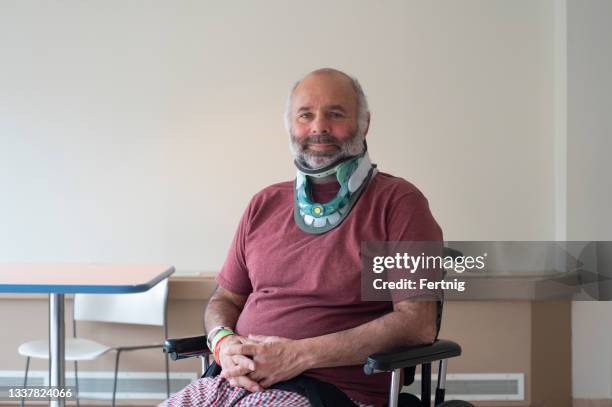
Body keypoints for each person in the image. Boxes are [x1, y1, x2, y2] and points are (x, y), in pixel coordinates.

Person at [162, 68, 443, 407]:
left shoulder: (398, 202)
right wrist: (223, 342)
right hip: (230, 383)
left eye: (335, 114)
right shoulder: (264, 203)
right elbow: (225, 299)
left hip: (330, 393)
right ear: (291, 126)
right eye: (305, 115)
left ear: (364, 123)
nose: (318, 127)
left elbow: (418, 323)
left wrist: (297, 355)